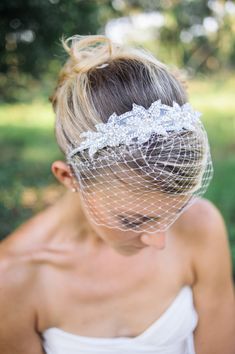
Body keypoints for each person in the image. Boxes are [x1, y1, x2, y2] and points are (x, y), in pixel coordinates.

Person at [0, 34, 234, 354]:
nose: (159, 240)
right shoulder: (12, 279)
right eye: (133, 219)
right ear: (70, 177)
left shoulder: (202, 226)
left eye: (176, 209)